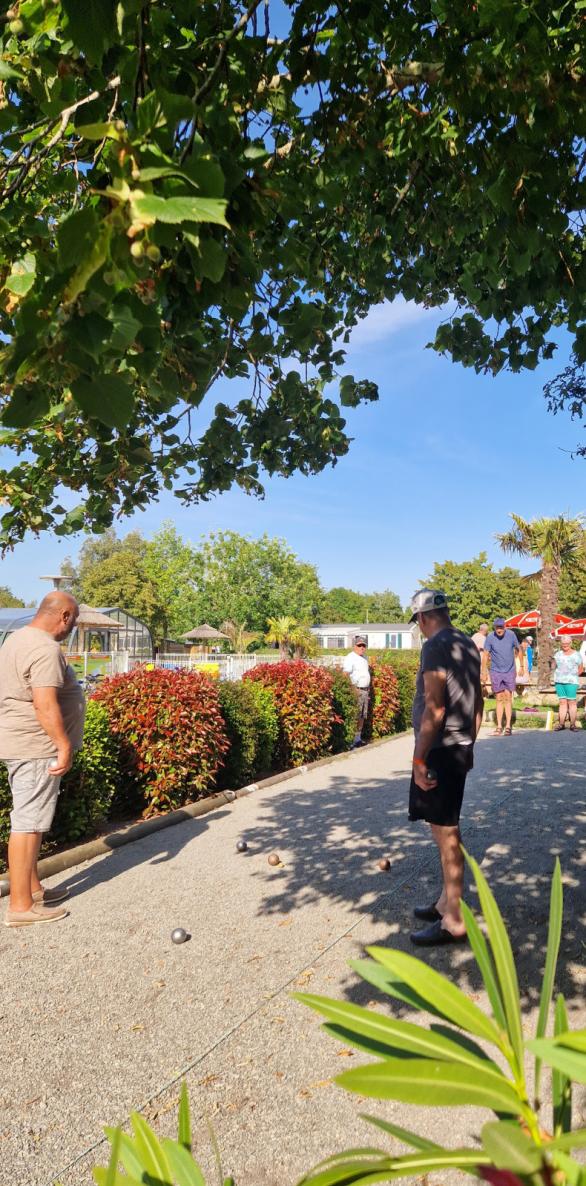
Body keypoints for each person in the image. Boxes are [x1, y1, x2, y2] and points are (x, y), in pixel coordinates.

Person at [0, 592, 85, 927]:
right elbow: (43, 702)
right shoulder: (45, 647)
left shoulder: (18, 639)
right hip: (36, 746)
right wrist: (62, 745)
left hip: (22, 743)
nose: (72, 628)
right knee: (29, 824)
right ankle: (21, 907)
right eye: (74, 621)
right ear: (63, 616)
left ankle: (32, 889)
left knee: (30, 820)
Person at [408, 588, 483, 947]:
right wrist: (470, 742)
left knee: (447, 831)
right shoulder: (467, 643)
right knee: (441, 828)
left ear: (422, 618)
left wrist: (419, 759)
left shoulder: (435, 646)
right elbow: (479, 700)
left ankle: (454, 919)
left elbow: (435, 709)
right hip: (457, 745)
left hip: (439, 750)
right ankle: (444, 903)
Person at [481, 617, 523, 735]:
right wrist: (484, 672)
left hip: (510, 670)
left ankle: (508, 726)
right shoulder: (490, 637)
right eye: (497, 627)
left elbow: (518, 649)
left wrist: (522, 667)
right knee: (499, 698)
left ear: (505, 627)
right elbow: (485, 655)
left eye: (501, 627)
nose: (499, 630)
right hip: (496, 671)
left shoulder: (511, 635)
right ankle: (499, 726)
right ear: (494, 627)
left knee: (508, 697)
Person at [343, 634, 371, 747]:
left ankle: (357, 739)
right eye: (359, 645)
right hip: (356, 690)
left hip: (365, 690)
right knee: (355, 715)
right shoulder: (350, 657)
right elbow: (345, 674)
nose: (362, 648)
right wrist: (352, 688)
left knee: (362, 715)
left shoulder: (365, 658)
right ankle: (350, 741)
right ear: (355, 646)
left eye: (363, 645)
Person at [551, 637, 583, 731]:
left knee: (572, 702)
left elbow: (581, 669)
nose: (565, 645)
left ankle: (573, 724)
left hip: (571, 682)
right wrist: (552, 662)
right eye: (563, 643)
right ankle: (561, 724)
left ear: (571, 643)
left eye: (567, 643)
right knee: (562, 702)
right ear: (561, 643)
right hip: (559, 681)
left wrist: (572, 676)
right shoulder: (558, 654)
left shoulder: (577, 654)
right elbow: (554, 666)